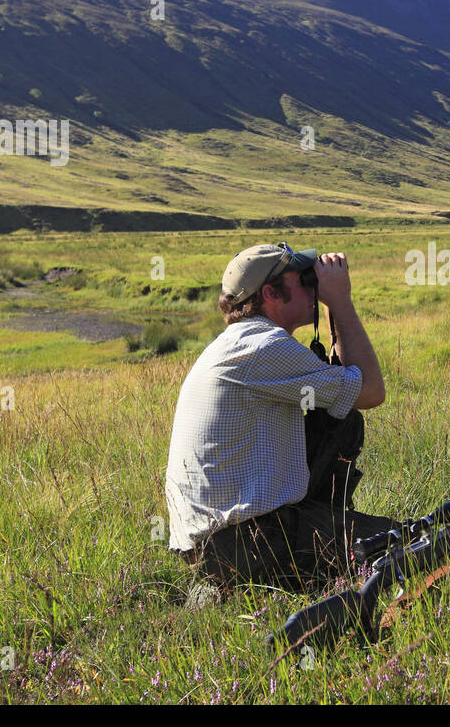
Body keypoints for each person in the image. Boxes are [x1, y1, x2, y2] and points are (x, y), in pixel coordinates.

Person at [164, 241, 398, 599]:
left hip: (215, 546)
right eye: (303, 278)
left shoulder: (240, 343)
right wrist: (341, 302)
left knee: (340, 416)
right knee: (404, 547)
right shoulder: (264, 347)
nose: (312, 285)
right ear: (271, 293)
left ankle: (228, 587)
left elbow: (345, 389)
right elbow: (370, 391)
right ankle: (255, 582)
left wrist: (333, 312)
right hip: (249, 542)